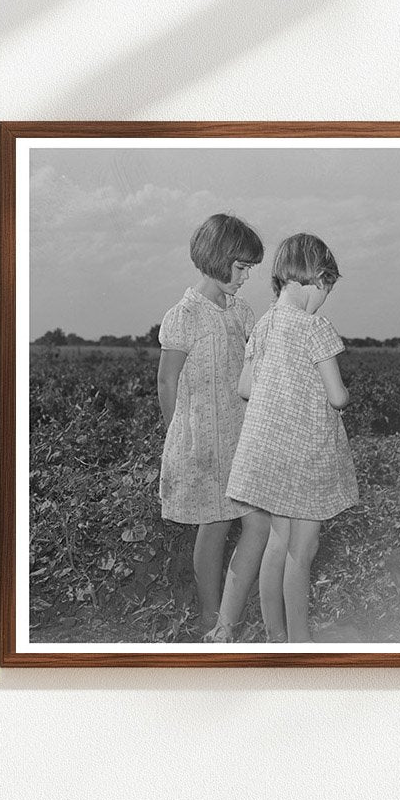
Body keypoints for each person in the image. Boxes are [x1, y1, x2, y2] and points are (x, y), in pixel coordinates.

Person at [225, 234, 358, 642]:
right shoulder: (315, 328)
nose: (324, 301)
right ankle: (301, 643)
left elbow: (245, 387)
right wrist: (345, 393)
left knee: (277, 546)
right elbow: (336, 397)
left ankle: (276, 636)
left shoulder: (264, 324)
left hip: (268, 456)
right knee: (303, 553)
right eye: (326, 290)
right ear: (316, 278)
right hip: (305, 458)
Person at [155, 213, 270, 640]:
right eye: (240, 268)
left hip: (239, 436)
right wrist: (178, 435)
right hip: (201, 442)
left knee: (258, 523)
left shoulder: (242, 313)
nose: (245, 278)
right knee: (215, 526)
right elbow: (167, 381)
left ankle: (228, 615)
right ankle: (211, 616)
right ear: (218, 260)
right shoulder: (184, 315)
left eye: (249, 269)